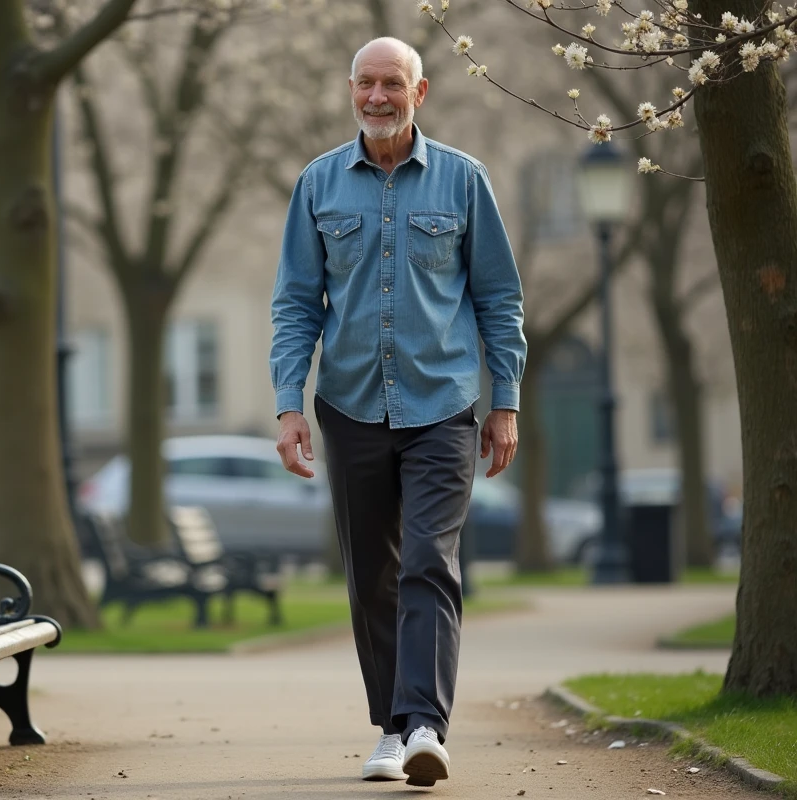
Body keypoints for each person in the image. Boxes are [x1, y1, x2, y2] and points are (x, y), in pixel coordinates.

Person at [269, 37, 526, 788]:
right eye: (366, 84)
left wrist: (504, 402)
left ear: (422, 92)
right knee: (369, 577)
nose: (377, 97)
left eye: (393, 84)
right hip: (348, 407)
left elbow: (499, 301)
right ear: (351, 90)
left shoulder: (464, 181)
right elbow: (293, 305)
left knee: (427, 563)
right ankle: (391, 724)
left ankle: (424, 726)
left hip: (442, 406)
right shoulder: (318, 184)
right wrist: (289, 407)